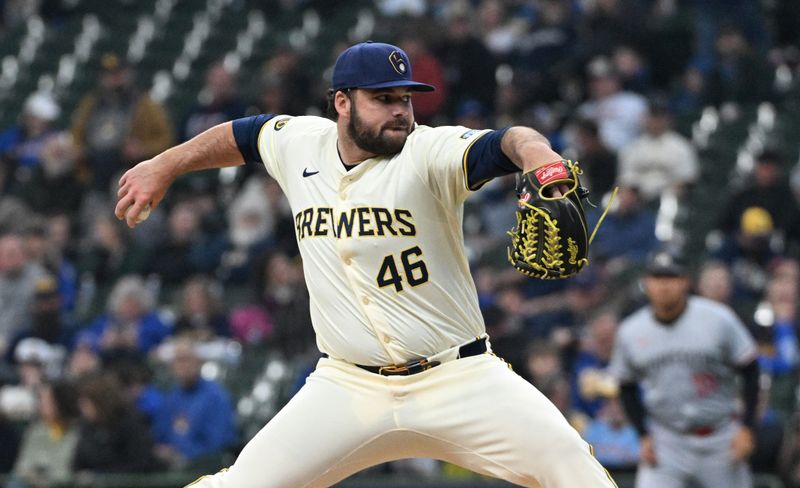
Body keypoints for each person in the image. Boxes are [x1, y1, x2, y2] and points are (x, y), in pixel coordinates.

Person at [115, 41, 617, 487]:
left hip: (457, 378)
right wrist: (165, 165)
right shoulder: (300, 143)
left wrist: (539, 155)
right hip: (348, 386)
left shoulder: (427, 151)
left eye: (405, 98)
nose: (401, 111)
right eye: (384, 99)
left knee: (570, 466)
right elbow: (242, 135)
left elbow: (507, 141)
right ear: (342, 102)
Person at [609, 249, 760, 488]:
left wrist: (747, 428)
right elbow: (625, 385)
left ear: (686, 281)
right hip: (666, 440)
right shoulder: (631, 331)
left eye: (671, 278)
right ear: (646, 283)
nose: (664, 286)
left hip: (720, 437)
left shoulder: (718, 319)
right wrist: (642, 434)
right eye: (657, 278)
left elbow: (750, 369)